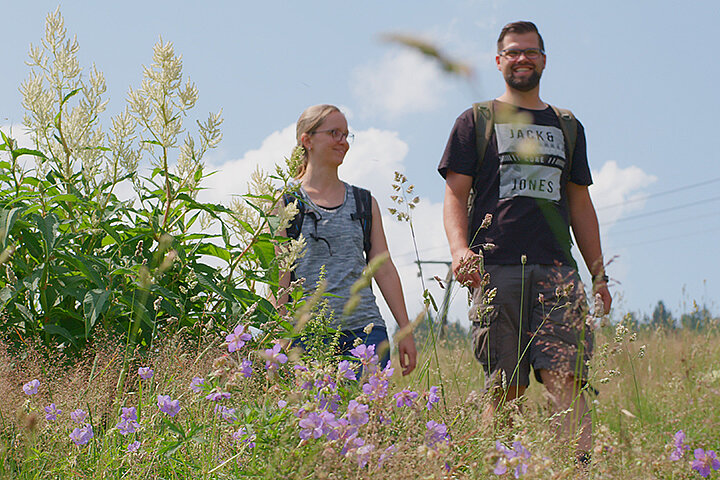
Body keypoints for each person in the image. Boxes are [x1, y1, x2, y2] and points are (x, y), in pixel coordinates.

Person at [438, 21, 611, 459]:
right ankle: (502, 466)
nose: (522, 59)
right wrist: (461, 250)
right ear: (499, 61)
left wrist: (599, 274)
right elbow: (455, 195)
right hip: (496, 270)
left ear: (544, 60)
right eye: (513, 52)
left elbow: (580, 204)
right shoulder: (475, 120)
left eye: (530, 52)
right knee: (503, 386)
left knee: (567, 380)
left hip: (557, 272)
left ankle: (577, 469)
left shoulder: (567, 125)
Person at [282, 104, 417, 376]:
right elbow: (281, 276)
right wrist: (279, 335)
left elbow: (384, 268)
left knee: (368, 415)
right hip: (307, 334)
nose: (343, 142)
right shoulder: (286, 203)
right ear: (306, 140)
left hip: (366, 331)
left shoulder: (365, 202)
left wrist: (405, 330)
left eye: (346, 135)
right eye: (334, 133)